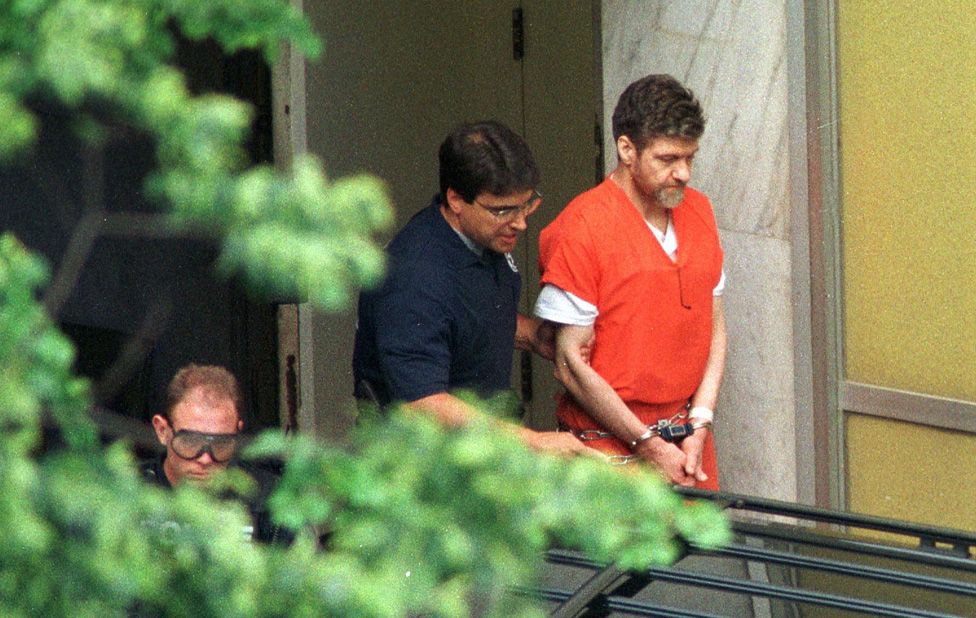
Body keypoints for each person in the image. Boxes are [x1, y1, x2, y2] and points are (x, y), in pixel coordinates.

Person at [353, 121, 596, 457]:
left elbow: (464, 316)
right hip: (418, 470)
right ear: (455, 198)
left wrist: (537, 337)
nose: (521, 222)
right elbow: (422, 403)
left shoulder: (485, 239)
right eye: (503, 210)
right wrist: (535, 442)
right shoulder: (414, 276)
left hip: (482, 452)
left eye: (527, 205)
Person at [535, 74, 726, 489]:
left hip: (687, 443)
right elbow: (570, 365)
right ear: (626, 149)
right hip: (607, 450)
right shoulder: (583, 227)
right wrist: (648, 445)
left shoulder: (700, 213)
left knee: (696, 553)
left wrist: (701, 421)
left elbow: (715, 327)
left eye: (690, 158)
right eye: (668, 159)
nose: (684, 173)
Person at [142, 363, 291, 543]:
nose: (205, 458)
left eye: (221, 443)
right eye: (190, 441)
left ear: (237, 433)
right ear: (162, 431)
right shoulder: (124, 491)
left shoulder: (269, 500)